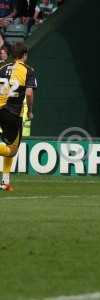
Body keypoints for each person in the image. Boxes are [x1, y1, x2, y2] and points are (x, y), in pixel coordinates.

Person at [0, 42, 37, 191]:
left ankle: (5, 181)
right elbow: (29, 93)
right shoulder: (28, 70)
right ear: (24, 55)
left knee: (9, 145)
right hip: (13, 113)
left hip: (0, 109)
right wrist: (30, 111)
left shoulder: (2, 68)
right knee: (13, 150)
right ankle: (5, 181)